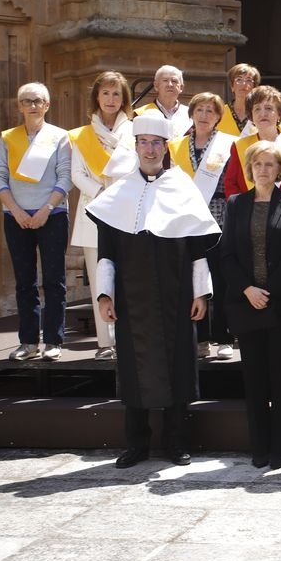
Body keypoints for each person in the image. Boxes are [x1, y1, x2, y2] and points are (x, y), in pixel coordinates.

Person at [87, 115, 221, 469]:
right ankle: (137, 444)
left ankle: (177, 442)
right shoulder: (118, 195)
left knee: (178, 366)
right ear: (136, 147)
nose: (150, 149)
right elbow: (107, 253)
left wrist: (200, 294)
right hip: (132, 299)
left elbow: (198, 250)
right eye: (143, 142)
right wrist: (105, 296)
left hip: (177, 296)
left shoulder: (183, 188)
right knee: (133, 369)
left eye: (156, 143)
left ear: (166, 148)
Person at [220, 141, 281, 470]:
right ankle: (259, 446)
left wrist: (265, 292)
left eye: (270, 164)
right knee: (254, 379)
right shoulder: (235, 204)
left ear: (280, 168)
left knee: (280, 378)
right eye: (258, 164)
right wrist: (247, 289)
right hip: (245, 303)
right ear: (250, 168)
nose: (264, 169)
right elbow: (225, 253)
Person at [0, 82, 71, 361]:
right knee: (24, 282)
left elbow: (65, 176)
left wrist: (46, 209)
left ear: (47, 105)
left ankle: (53, 342)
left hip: (52, 215)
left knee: (54, 280)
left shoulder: (60, 137)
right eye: (27, 101)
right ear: (19, 106)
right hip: (16, 217)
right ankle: (27, 342)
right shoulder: (8, 138)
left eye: (38, 100)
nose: (32, 105)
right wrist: (16, 210)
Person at [68, 71, 135, 360]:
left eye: (116, 93)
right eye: (106, 93)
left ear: (124, 99)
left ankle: (130, 339)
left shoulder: (134, 130)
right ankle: (106, 343)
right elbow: (76, 174)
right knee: (99, 279)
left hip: (127, 211)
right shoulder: (82, 135)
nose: (111, 99)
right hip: (94, 210)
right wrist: (100, 192)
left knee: (129, 277)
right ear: (96, 96)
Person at [169, 92, 236, 359]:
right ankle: (200, 337)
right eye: (200, 110)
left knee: (219, 279)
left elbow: (231, 182)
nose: (205, 115)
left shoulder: (227, 144)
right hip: (186, 218)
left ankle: (223, 337)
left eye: (211, 111)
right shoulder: (176, 146)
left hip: (218, 216)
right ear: (192, 113)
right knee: (193, 278)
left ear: (219, 117)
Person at [223, 85, 281, 197]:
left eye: (268, 108)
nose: (263, 114)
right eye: (257, 109)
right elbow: (231, 184)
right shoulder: (239, 146)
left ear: (279, 114)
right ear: (251, 115)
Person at [134, 65, 191, 137]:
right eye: (165, 80)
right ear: (156, 86)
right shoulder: (140, 114)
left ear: (181, 87)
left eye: (174, 81)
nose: (170, 84)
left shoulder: (191, 114)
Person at [217, 63, 260, 137]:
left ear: (254, 87)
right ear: (232, 86)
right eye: (239, 79)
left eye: (249, 80)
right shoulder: (219, 112)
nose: (244, 84)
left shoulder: (260, 113)